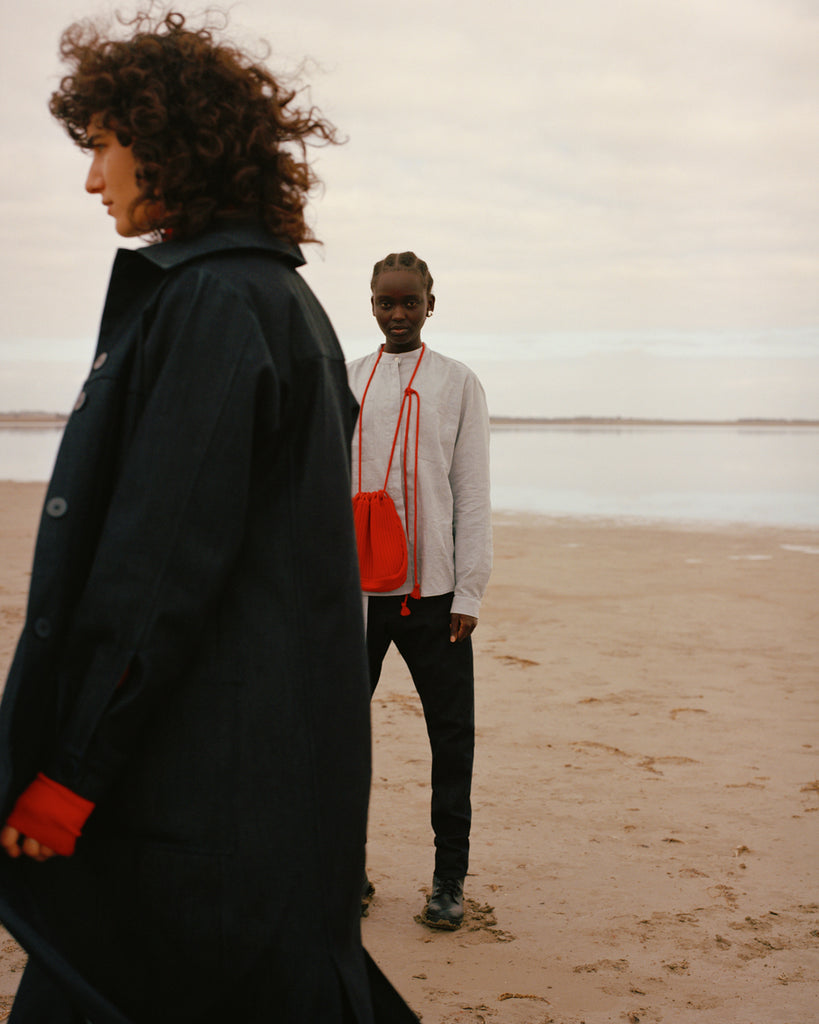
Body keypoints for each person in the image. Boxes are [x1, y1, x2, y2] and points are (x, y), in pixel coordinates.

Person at [0, 11, 417, 1023]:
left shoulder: (218, 306)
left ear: (167, 142)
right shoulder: (272, 299)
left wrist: (67, 772)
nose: (92, 180)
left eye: (102, 145)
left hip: (198, 796)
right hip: (260, 786)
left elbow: (156, 572)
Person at [348, 252, 492, 930]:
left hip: (434, 598)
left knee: (451, 738)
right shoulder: (346, 380)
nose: (397, 313)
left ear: (431, 303)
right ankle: (346, 871)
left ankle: (447, 882)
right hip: (358, 598)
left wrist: (468, 591)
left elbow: (470, 491)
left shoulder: (457, 383)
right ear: (371, 304)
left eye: (410, 302)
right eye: (385, 302)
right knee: (338, 737)